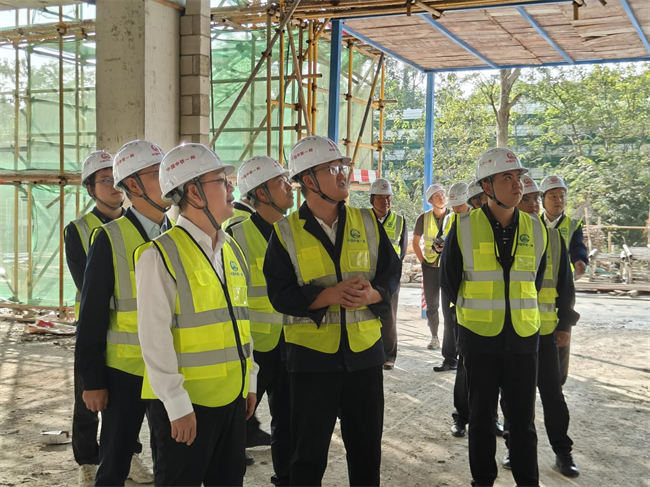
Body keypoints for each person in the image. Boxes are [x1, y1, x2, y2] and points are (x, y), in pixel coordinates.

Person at [263, 135, 400, 487]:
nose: (343, 174)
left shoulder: (367, 222)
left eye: (343, 167)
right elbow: (279, 294)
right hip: (311, 362)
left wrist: (375, 294)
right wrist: (328, 296)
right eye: (333, 168)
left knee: (366, 453)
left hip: (364, 356)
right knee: (307, 457)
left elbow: (391, 271)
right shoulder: (285, 232)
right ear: (309, 180)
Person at [135, 143, 258, 487]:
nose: (232, 188)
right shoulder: (160, 255)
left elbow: (240, 322)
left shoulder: (230, 249)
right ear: (193, 191)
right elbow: (154, 338)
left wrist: (249, 380)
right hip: (187, 406)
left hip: (232, 397)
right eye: (221, 180)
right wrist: (176, 404)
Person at [440, 148, 549, 487]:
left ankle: (527, 481)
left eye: (519, 178)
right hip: (479, 340)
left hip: (523, 339)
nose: (518, 185)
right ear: (487, 186)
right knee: (481, 419)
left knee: (523, 421)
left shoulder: (537, 228)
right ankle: (483, 481)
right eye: (507, 178)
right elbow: (449, 285)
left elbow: (534, 281)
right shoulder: (462, 228)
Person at [76, 140, 171, 486]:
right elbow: (91, 317)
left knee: (170, 460)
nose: (167, 178)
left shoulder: (175, 234)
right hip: (125, 373)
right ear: (133, 184)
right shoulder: (109, 238)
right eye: (157, 173)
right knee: (115, 462)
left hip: (167, 371)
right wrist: (93, 381)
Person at [499, 175, 580, 478]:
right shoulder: (504, 238)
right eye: (527, 200)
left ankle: (563, 452)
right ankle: (513, 447)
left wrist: (565, 325)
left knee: (553, 396)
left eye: (536, 199)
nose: (533, 205)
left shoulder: (554, 239)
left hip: (546, 333)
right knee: (514, 397)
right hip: (515, 334)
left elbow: (566, 288)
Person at [228, 156, 294, 487]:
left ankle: (286, 477)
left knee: (289, 420)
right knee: (237, 421)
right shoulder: (235, 237)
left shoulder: (295, 233)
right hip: (252, 348)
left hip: (293, 343)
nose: (290, 187)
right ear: (261, 192)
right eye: (281, 182)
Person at [64, 150, 128, 486]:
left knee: (127, 402)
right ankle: (87, 460)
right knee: (88, 397)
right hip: (93, 327)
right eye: (105, 180)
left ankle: (128, 455)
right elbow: (86, 284)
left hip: (131, 329)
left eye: (117, 178)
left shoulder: (138, 224)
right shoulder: (78, 230)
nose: (115, 185)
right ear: (90, 188)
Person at [540, 174, 587, 385]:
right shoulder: (532, 223)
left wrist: (579, 260)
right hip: (536, 291)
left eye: (561, 196)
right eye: (553, 196)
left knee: (561, 338)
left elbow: (578, 247)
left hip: (562, 290)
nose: (559, 200)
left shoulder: (573, 225)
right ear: (543, 199)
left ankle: (557, 384)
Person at [368, 178, 406, 370]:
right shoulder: (363, 219)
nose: (385, 202)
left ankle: (389, 355)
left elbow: (402, 250)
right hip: (368, 274)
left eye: (388, 198)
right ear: (372, 199)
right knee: (367, 315)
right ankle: (371, 352)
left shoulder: (399, 221)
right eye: (380, 198)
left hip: (390, 277)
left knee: (389, 317)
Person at [433, 182, 470, 373]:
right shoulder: (449, 219)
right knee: (449, 320)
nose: (455, 209)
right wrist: (437, 247)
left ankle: (464, 357)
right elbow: (441, 239)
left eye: (459, 206)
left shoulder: (475, 222)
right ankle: (449, 358)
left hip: (466, 279)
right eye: (453, 206)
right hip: (448, 276)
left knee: (463, 321)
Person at [412, 184, 449, 349]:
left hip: (449, 267)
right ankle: (434, 337)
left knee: (451, 304)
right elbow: (415, 242)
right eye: (437, 195)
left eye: (442, 194)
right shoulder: (423, 218)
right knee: (432, 304)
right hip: (430, 267)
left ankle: (451, 339)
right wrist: (423, 263)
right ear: (430, 200)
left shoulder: (453, 216)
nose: (441, 197)